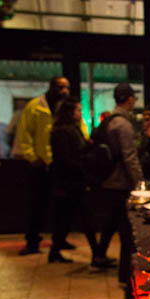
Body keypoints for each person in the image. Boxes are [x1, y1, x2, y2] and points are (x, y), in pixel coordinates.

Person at [14, 76, 77, 255]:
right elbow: (24, 134)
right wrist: (32, 157)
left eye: (66, 87)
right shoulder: (35, 107)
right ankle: (32, 242)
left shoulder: (67, 109)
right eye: (60, 87)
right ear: (51, 87)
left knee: (62, 206)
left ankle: (60, 239)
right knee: (37, 205)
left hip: (61, 164)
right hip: (40, 165)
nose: (64, 91)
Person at [94, 82, 144, 279]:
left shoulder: (109, 120)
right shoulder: (123, 124)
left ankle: (98, 256)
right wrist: (140, 183)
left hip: (107, 180)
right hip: (119, 182)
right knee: (126, 229)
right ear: (130, 99)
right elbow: (129, 157)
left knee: (112, 220)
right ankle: (125, 274)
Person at [48, 98, 99, 264]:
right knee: (79, 218)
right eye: (78, 110)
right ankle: (97, 253)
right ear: (70, 112)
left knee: (68, 218)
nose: (80, 113)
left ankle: (55, 252)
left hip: (70, 181)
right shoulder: (64, 131)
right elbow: (67, 159)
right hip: (70, 182)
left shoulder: (69, 130)